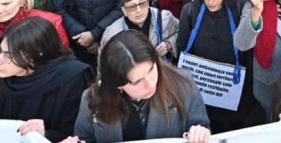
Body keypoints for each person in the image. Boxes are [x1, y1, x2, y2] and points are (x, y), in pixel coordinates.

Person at [70, 30, 211, 143]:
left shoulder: (182, 83)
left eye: (151, 70)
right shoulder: (92, 97)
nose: (151, 84)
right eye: (137, 82)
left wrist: (199, 133)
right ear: (117, 84)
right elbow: (84, 138)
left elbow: (201, 125)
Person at [0, 17, 95, 141]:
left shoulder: (72, 78)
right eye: (0, 51)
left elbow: (80, 134)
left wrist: (45, 134)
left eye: (8, 55)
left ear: (36, 53)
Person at [176, 0, 263, 132]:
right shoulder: (189, 11)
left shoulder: (241, 7)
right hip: (206, 89)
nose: (210, 1)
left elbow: (249, 43)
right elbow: (182, 48)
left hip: (240, 90)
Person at [100, 0, 178, 65]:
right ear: (124, 10)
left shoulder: (165, 18)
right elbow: (104, 66)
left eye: (142, 4)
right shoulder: (112, 34)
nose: (139, 10)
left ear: (148, 2)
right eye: (132, 7)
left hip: (163, 69)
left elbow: (181, 34)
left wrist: (169, 44)